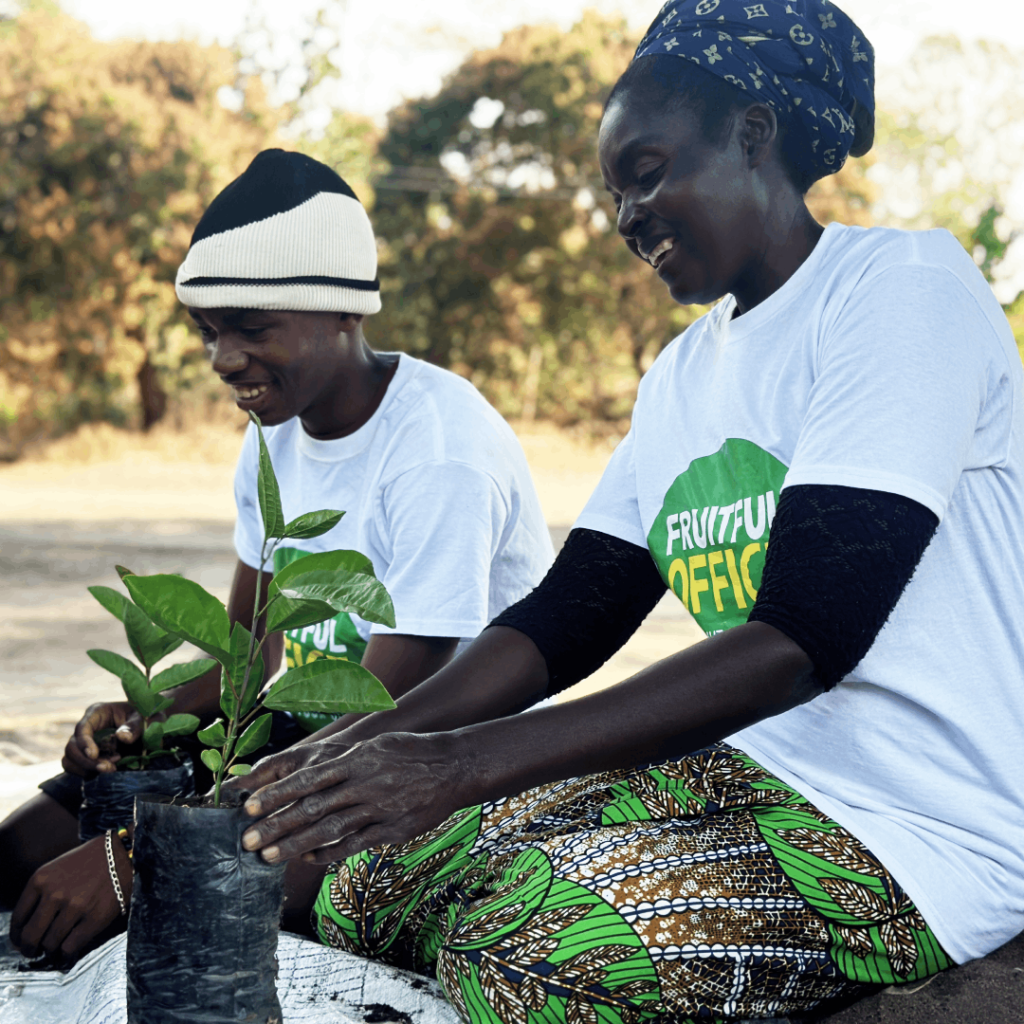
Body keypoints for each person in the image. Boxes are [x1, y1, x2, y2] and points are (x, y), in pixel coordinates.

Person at [226, 3, 1024, 1022]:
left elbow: (802, 637)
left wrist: (458, 765)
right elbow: (566, 619)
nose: (624, 217)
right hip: (755, 769)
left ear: (752, 133)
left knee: (531, 960)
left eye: (645, 172)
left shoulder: (897, 291)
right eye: (611, 194)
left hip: (920, 825)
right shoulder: (682, 376)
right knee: (365, 878)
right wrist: (350, 754)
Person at [2, 149, 553, 960]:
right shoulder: (277, 435)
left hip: (411, 771)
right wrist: (149, 720)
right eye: (209, 333)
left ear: (344, 314)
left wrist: (144, 858)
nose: (224, 360)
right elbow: (248, 663)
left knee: (178, 907)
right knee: (20, 854)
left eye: (254, 329)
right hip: (286, 754)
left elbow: (384, 720)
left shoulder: (438, 450)